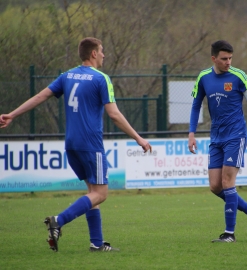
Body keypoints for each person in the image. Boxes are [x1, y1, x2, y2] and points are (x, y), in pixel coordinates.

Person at [0, 37, 152, 252]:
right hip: (91, 144)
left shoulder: (67, 76)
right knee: (101, 193)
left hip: (71, 144)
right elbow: (114, 115)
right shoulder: (101, 79)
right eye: (102, 51)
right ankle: (58, 221)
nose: (104, 55)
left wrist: (12, 114)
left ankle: (97, 243)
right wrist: (139, 138)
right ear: (93, 54)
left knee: (92, 192)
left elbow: (40, 96)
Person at [188, 40, 247, 243]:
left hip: (236, 136)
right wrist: (191, 133)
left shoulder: (240, 76)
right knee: (215, 186)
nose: (228, 62)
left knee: (227, 182)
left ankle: (229, 234)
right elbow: (196, 106)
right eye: (224, 59)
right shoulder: (204, 77)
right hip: (216, 138)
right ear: (214, 58)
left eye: (230, 58)